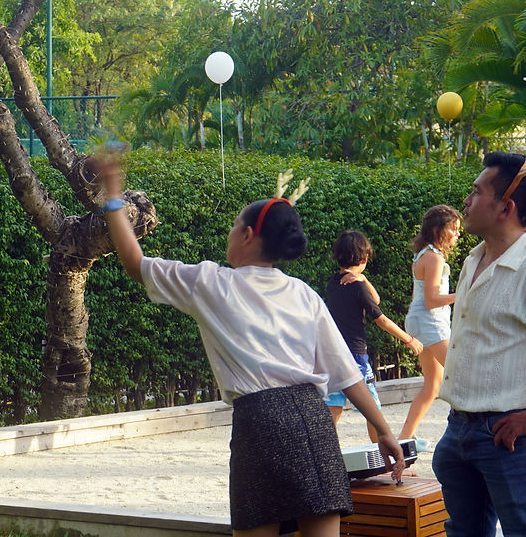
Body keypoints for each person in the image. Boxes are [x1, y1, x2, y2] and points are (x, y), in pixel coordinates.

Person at [95, 156, 404, 537]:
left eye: (233, 226)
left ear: (246, 236)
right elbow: (346, 372)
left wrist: (112, 196)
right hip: (314, 418)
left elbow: (135, 262)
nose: (229, 233)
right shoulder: (302, 293)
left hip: (261, 423)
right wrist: (384, 430)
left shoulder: (211, 284)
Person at [432, 146, 526, 537]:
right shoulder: (474, 257)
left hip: (513, 439)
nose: (466, 202)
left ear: (506, 207)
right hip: (459, 432)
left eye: (476, 192)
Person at [324, 231, 423, 442]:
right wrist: (409, 339)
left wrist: (364, 279)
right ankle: (385, 458)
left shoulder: (333, 283)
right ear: (365, 259)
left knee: (334, 409)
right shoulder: (357, 287)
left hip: (335, 355)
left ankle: (323, 455)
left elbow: (374, 300)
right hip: (356, 357)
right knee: (373, 411)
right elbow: (381, 318)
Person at [400, 205, 462, 451]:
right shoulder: (433, 257)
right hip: (429, 322)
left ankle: (405, 438)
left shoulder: (425, 254)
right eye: (453, 229)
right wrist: (463, 294)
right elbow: (431, 300)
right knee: (461, 373)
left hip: (421, 321)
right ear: (438, 230)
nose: (457, 234)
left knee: (433, 385)